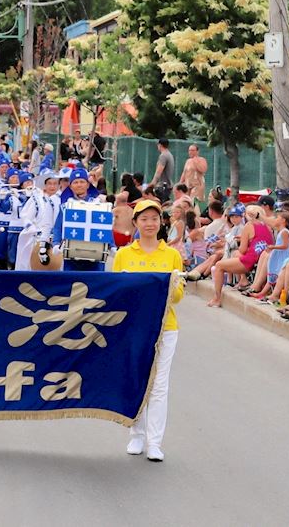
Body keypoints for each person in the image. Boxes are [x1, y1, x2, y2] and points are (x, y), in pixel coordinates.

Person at [111, 197, 184, 462]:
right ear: (136, 223)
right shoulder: (124, 254)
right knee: (136, 380)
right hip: (133, 328)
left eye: (154, 219)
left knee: (159, 386)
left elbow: (178, 295)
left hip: (166, 328)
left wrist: (164, 285)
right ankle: (136, 435)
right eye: (144, 219)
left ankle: (155, 442)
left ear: (161, 222)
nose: (150, 224)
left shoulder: (172, 254)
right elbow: (116, 291)